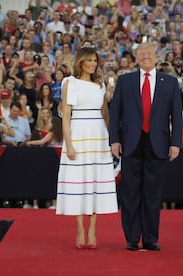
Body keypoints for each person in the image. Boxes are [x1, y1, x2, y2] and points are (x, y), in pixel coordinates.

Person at [109, 42, 183, 251]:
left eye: (149, 53)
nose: (146, 56)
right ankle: (132, 238)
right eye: (142, 54)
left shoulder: (170, 82)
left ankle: (151, 238)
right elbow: (115, 112)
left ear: (157, 57)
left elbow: (176, 116)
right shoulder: (125, 81)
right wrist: (114, 140)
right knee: (130, 194)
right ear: (136, 57)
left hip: (158, 145)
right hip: (130, 144)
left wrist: (175, 143)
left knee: (152, 195)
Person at [56, 46, 118, 250]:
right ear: (80, 61)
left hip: (98, 136)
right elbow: (66, 116)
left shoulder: (100, 85)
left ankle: (92, 229)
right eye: (89, 60)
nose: (92, 64)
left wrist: (111, 139)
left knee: (95, 183)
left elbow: (106, 115)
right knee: (78, 183)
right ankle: (80, 229)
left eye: (95, 60)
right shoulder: (69, 83)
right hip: (78, 134)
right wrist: (69, 143)